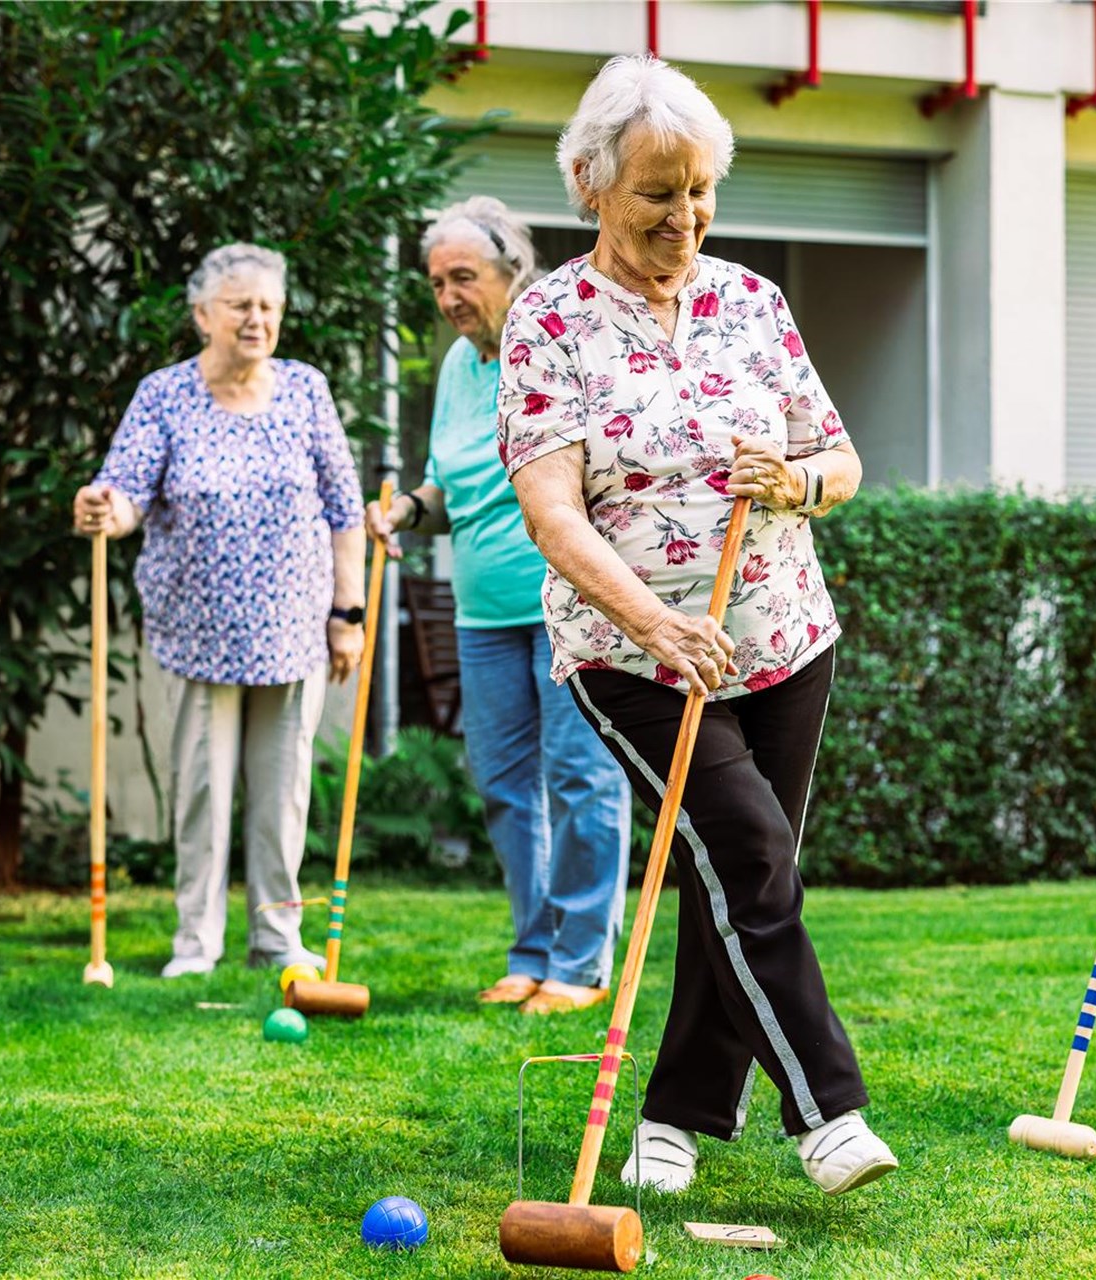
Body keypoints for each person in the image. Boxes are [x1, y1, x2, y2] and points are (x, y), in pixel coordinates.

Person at [495, 53, 897, 1198]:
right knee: (752, 854)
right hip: (630, 654)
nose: (685, 217)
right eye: (656, 192)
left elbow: (844, 459)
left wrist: (797, 483)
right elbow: (554, 514)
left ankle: (673, 1117)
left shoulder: (752, 302)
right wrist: (657, 623)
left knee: (732, 873)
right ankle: (827, 1111)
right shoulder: (550, 322)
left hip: (783, 635)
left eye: (699, 190)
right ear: (590, 186)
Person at [366, 197, 633, 1017]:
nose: (448, 296)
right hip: (479, 609)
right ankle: (533, 949)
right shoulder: (457, 366)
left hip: (568, 600)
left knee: (581, 775)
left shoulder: (560, 337)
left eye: (463, 278)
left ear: (512, 271)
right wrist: (408, 508)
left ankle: (582, 962)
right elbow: (458, 483)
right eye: (437, 281)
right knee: (505, 783)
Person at [72, 243, 365, 979]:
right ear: (204, 315)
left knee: (282, 797)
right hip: (197, 630)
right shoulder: (165, 394)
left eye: (268, 306)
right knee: (203, 792)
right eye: (241, 306)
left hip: (293, 631)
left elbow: (344, 509)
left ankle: (276, 938)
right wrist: (107, 510)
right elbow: (127, 488)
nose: (257, 319)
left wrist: (347, 612)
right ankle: (194, 943)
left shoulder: (305, 390)